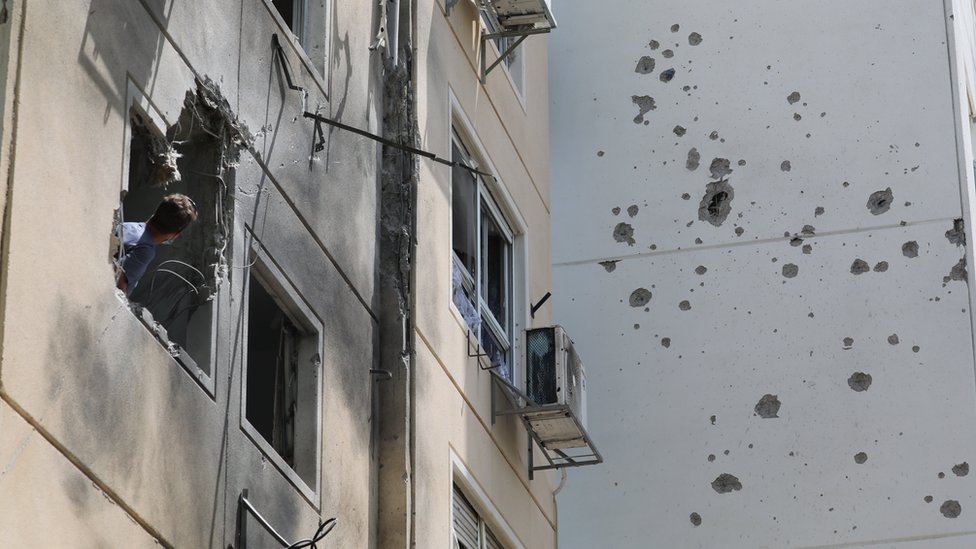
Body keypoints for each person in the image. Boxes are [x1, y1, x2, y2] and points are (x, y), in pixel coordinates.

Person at [116, 193, 198, 297]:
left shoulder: (127, 226)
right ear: (175, 235)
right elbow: (118, 284)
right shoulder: (145, 250)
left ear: (155, 212)